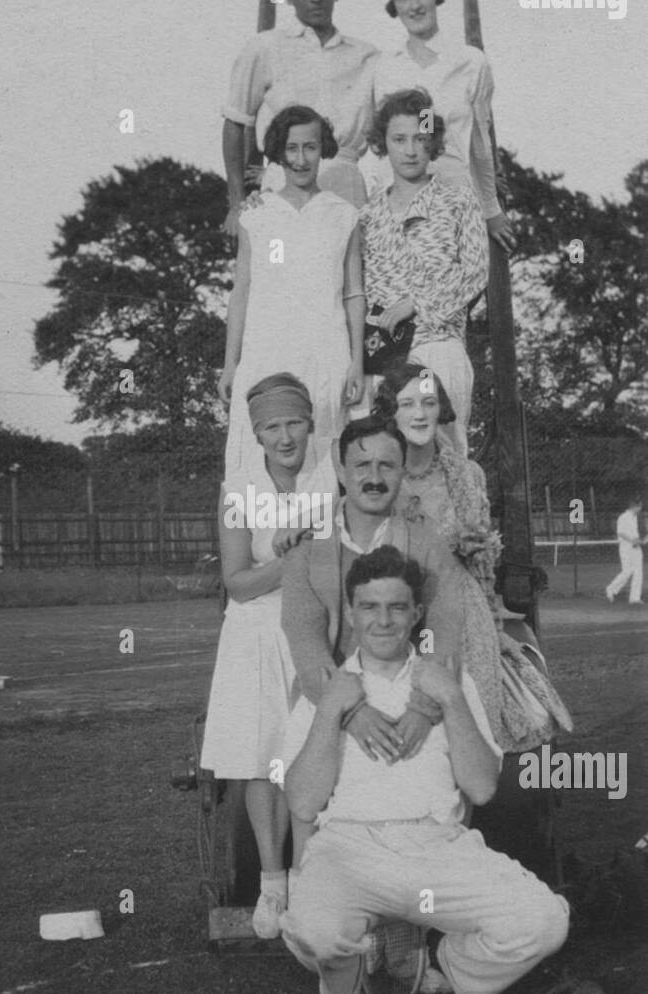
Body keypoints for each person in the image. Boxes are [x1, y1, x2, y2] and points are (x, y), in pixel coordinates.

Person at [280, 546, 570, 994]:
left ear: (416, 614)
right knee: (313, 930)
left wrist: (452, 699)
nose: (384, 620)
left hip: (437, 845)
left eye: (397, 607)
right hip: (349, 848)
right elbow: (304, 803)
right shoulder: (326, 688)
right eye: (370, 607)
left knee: (543, 921)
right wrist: (332, 712)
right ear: (351, 614)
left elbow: (480, 788)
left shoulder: (447, 683)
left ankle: (466, 976)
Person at [375, 361, 573, 750]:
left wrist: (493, 622)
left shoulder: (468, 475)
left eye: (429, 402)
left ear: (441, 409)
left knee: (471, 727)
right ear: (390, 413)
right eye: (408, 403)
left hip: (464, 611)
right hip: (397, 611)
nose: (419, 414)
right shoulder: (378, 477)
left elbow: (482, 561)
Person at [201, 374, 335, 939]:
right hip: (254, 632)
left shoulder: (332, 477)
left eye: (294, 423)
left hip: (311, 625)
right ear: (256, 435)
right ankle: (272, 883)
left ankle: (309, 881)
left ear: (310, 425)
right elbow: (237, 582)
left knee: (309, 753)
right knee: (261, 761)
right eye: (272, 427)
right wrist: (299, 558)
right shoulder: (238, 490)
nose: (285, 436)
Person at [279, 415, 463, 805]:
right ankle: (302, 863)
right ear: (342, 473)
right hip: (333, 696)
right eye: (362, 465)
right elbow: (307, 644)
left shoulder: (428, 546)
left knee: (448, 771)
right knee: (308, 794)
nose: (374, 478)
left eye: (387, 466)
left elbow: (442, 633)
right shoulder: (308, 552)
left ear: (401, 473)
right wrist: (351, 713)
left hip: (410, 695)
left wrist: (421, 709)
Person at [219, 105, 365, 482]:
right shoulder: (256, 213)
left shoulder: (344, 214)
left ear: (323, 149)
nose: (301, 159)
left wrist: (357, 362)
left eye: (311, 147)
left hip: (326, 356)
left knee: (324, 463)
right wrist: (230, 364)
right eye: (292, 148)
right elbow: (242, 292)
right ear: (279, 153)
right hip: (266, 354)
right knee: (256, 470)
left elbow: (353, 293)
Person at [360, 88, 488, 454]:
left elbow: (475, 272)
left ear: (432, 143)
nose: (410, 150)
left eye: (420, 138)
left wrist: (415, 303)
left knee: (446, 454)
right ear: (383, 143)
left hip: (438, 347)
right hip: (384, 357)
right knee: (387, 459)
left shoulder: (457, 199)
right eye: (399, 139)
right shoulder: (368, 214)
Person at [222, 0, 377, 234]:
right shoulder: (265, 47)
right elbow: (235, 122)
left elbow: (409, 113)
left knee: (348, 275)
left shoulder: (367, 56)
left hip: (346, 184)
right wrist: (235, 203)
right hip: (283, 181)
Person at [369, 0, 516, 252]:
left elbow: (479, 140)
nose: (414, 6)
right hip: (398, 200)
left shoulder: (471, 62)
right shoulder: (385, 67)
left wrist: (490, 208)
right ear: (394, 7)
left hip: (454, 194)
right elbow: (380, 145)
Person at [606, 495, 645, 606]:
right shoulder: (624, 517)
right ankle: (611, 589)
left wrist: (639, 541)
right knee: (627, 572)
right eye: (640, 506)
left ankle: (635, 598)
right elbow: (621, 533)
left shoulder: (634, 517)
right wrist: (632, 540)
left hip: (636, 548)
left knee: (638, 572)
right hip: (626, 548)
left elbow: (634, 534)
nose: (641, 509)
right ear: (635, 506)